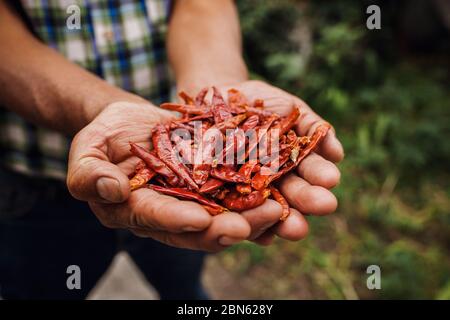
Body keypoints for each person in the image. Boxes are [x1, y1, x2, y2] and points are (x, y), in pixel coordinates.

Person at [0, 0, 343, 299]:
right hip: (33, 183)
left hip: (164, 170)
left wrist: (216, 83)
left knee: (184, 278)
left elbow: (201, 3)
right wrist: (99, 107)